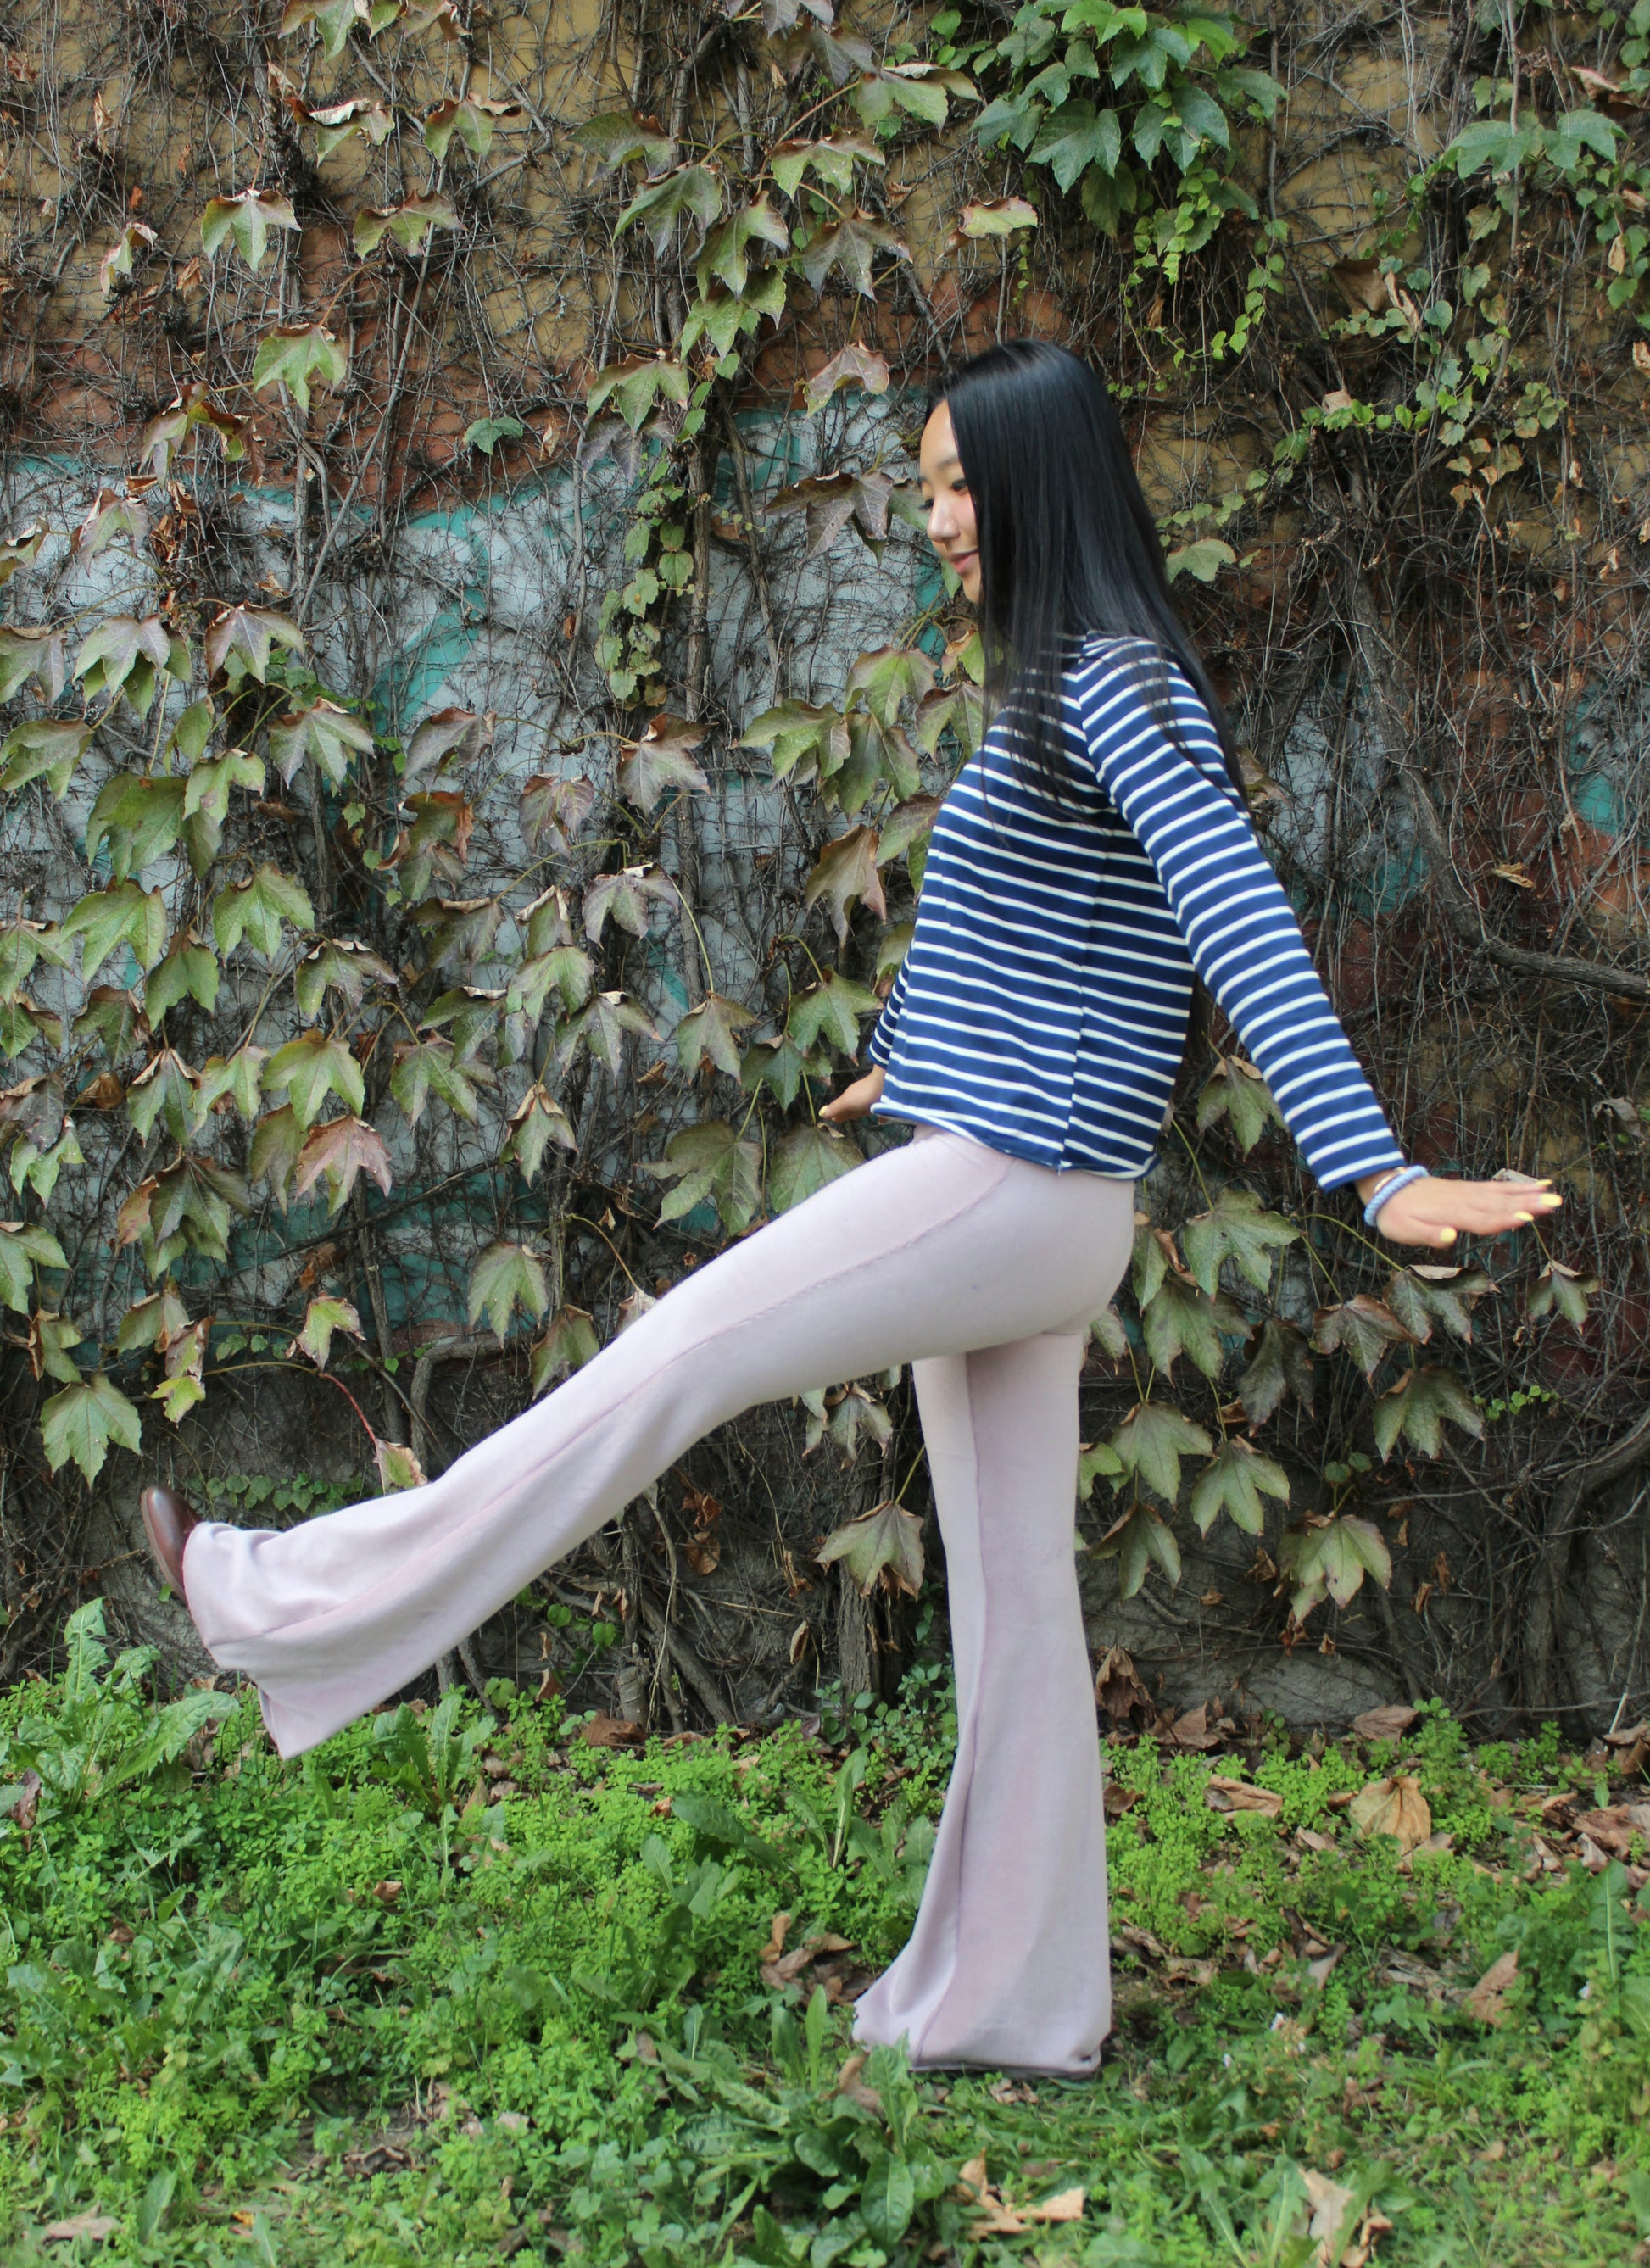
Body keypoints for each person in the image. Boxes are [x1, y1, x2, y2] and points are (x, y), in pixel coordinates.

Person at [140, 338, 1560, 2077]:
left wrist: (1373, 1165)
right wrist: (913, 1060)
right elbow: (1071, 936)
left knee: (667, 1364)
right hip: (1031, 1191)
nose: (940, 520)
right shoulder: (1072, 680)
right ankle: (1015, 2005)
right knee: (1015, 1604)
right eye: (929, 489)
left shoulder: (1110, 681)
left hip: (1013, 1190)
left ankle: (279, 1599)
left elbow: (1233, 913)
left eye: (963, 486)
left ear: (1040, 482)